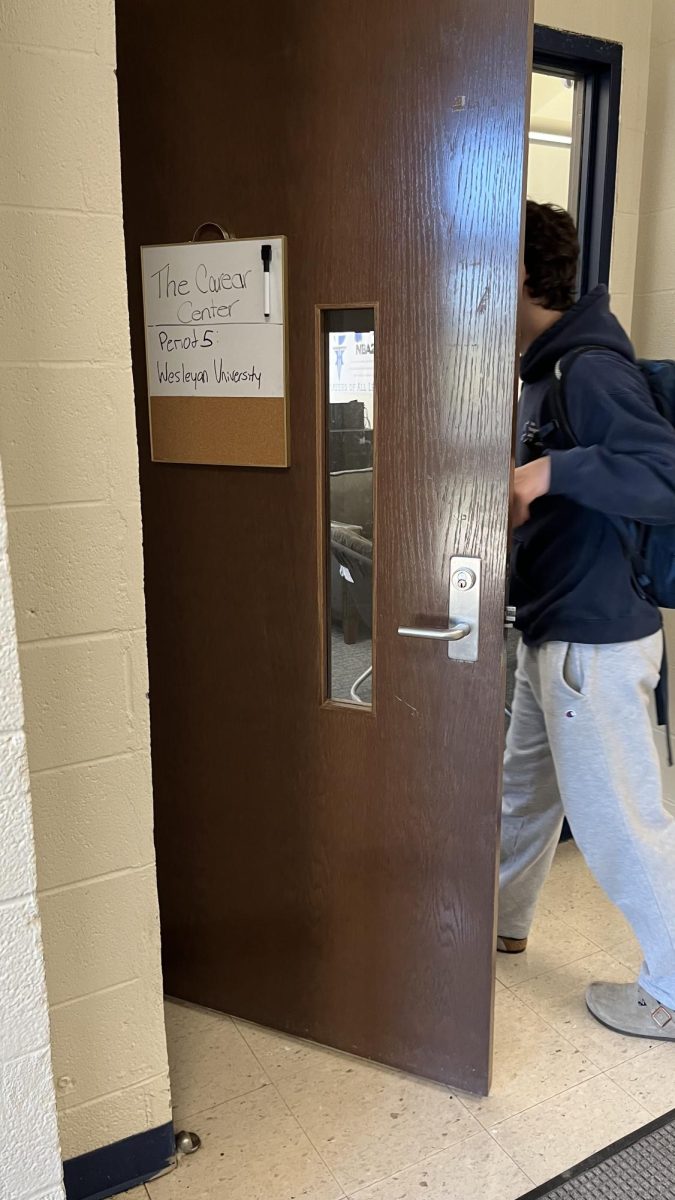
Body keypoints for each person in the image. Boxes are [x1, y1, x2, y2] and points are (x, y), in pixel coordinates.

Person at [499, 200, 675, 1039]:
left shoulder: (587, 368)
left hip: (593, 636)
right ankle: (493, 926)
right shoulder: (543, 366)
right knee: (519, 791)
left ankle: (673, 990)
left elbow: (663, 477)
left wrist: (548, 472)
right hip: (553, 621)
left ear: (520, 275)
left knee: (619, 822)